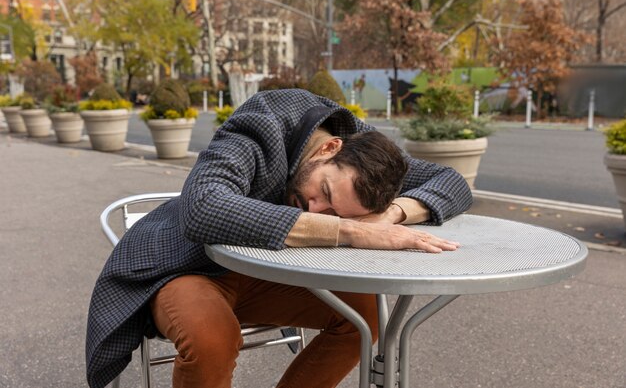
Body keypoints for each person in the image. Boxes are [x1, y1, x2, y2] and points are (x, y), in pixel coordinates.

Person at [86, 89, 472, 388]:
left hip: (266, 272)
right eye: (324, 192)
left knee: (364, 317)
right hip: (187, 265)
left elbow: (452, 182)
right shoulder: (261, 125)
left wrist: (391, 215)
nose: (315, 209)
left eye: (335, 211)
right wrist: (349, 229)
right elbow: (203, 208)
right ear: (328, 148)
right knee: (212, 337)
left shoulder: (363, 151)